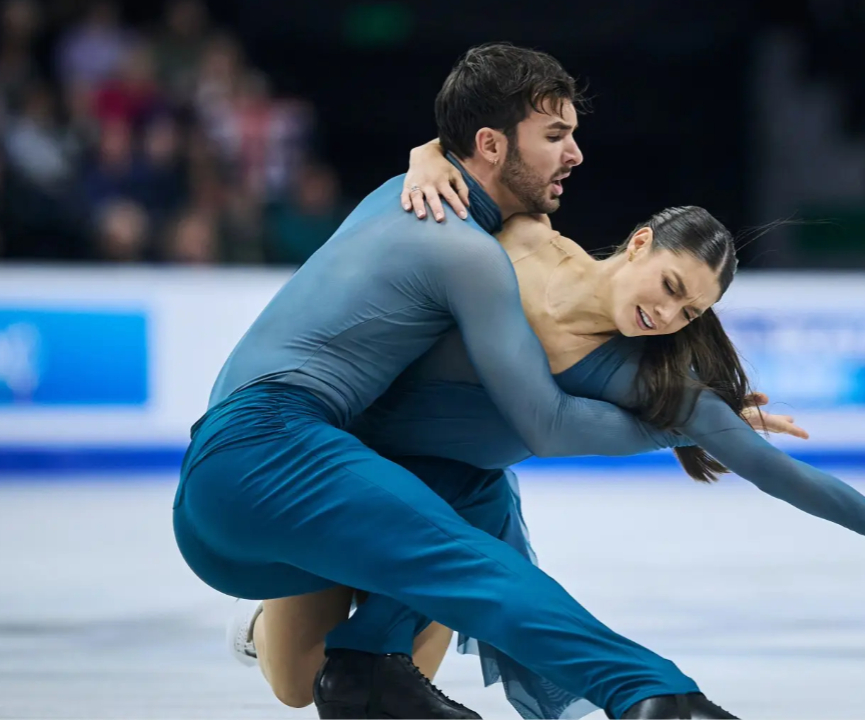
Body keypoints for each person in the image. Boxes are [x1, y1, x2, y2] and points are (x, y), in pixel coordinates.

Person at [228, 150, 865, 719]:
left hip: (445, 504)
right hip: (337, 461)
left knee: (354, 678)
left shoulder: (646, 384)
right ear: (637, 243)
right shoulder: (526, 237)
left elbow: (773, 471)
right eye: (669, 286)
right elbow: (479, 160)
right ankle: (267, 626)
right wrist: (426, 158)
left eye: (689, 312)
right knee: (296, 679)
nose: (667, 315)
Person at [175, 42, 735, 720]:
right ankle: (650, 692)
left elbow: (461, 150)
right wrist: (690, 426)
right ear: (493, 145)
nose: (576, 154)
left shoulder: (492, 214)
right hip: (281, 446)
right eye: (555, 135)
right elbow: (546, 423)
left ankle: (359, 663)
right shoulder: (449, 227)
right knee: (435, 582)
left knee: (474, 505)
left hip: (352, 467)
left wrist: (429, 152)